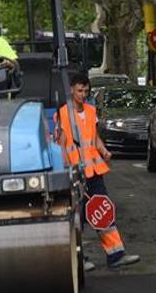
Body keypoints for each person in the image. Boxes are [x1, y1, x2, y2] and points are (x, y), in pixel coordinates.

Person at [54, 73, 140, 270]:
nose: (83, 95)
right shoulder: (63, 114)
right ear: (71, 90)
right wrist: (66, 169)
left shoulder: (91, 111)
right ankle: (79, 259)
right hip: (75, 173)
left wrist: (104, 151)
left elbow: (94, 138)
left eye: (86, 91)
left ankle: (116, 254)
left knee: (103, 210)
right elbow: (61, 144)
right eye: (79, 91)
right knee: (78, 217)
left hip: (94, 171)